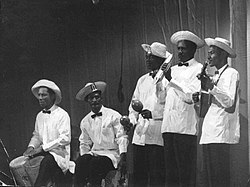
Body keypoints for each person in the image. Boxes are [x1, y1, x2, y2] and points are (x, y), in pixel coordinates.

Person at [193, 37, 239, 187]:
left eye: (212, 53)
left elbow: (229, 102)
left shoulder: (232, 73)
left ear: (223, 55)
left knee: (220, 177)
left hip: (221, 133)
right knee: (210, 178)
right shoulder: (214, 76)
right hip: (209, 132)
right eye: (209, 53)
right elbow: (205, 108)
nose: (208, 56)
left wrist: (211, 87)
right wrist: (199, 96)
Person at [162, 31, 205, 186]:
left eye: (183, 49)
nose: (180, 52)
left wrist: (171, 80)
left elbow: (190, 96)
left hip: (185, 128)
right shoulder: (172, 69)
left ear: (193, 50)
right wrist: (161, 79)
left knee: (185, 173)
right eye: (178, 48)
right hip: (169, 127)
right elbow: (164, 98)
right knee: (171, 173)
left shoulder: (199, 69)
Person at [128, 42, 172, 187]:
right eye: (147, 57)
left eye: (151, 57)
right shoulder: (142, 80)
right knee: (139, 175)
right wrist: (131, 121)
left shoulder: (168, 81)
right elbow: (134, 105)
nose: (147, 60)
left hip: (156, 133)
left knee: (156, 175)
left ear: (161, 60)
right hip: (140, 133)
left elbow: (168, 106)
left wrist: (153, 113)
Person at [74, 81, 129, 187]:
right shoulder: (85, 121)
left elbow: (121, 137)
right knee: (81, 162)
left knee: (95, 164)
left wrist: (123, 157)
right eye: (91, 98)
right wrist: (84, 157)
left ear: (101, 98)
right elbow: (84, 143)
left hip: (111, 155)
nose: (94, 100)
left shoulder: (113, 115)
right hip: (94, 153)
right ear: (87, 101)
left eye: (97, 97)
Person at [23, 79, 72, 186]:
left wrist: (42, 148)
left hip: (59, 155)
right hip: (45, 153)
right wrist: (31, 147)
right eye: (39, 95)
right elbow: (36, 136)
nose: (40, 98)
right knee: (27, 163)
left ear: (53, 96)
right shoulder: (39, 115)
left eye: (44, 95)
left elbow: (65, 138)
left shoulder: (62, 115)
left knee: (47, 162)